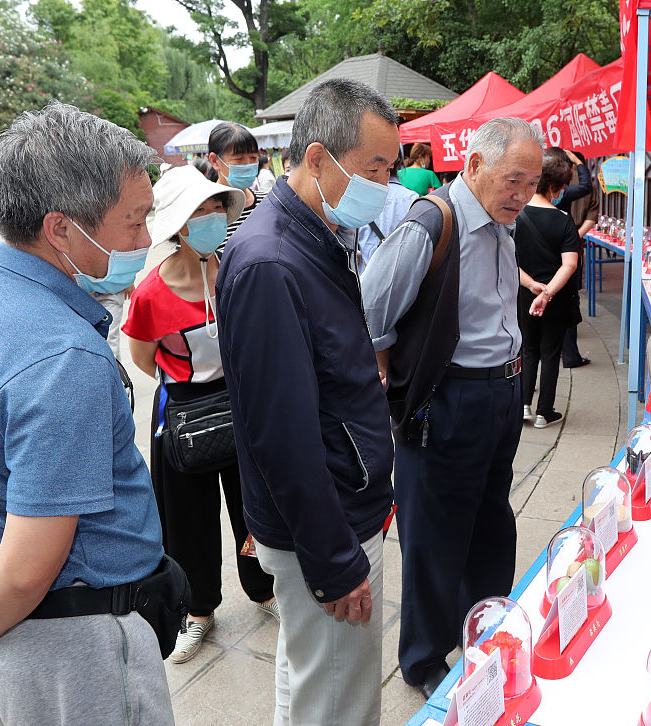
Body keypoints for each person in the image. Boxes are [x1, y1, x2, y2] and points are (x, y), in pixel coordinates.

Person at [0, 101, 177, 724]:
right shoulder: (63, 356)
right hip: (73, 639)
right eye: (133, 221)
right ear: (61, 230)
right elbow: (29, 568)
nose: (144, 241)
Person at [216, 79, 398, 726]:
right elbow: (281, 435)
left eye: (390, 168)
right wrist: (333, 559)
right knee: (341, 701)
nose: (385, 182)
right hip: (328, 526)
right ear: (318, 158)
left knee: (307, 678)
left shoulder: (310, 234)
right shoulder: (271, 260)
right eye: (374, 168)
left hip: (340, 503)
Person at [362, 117, 543, 698]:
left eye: (531, 182)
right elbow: (370, 311)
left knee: (492, 522)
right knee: (434, 537)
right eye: (513, 180)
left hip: (501, 393)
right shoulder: (431, 222)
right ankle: (422, 658)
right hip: (449, 398)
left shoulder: (501, 222)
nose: (522, 194)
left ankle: (485, 624)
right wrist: (396, 377)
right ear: (473, 166)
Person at [122, 165, 279, 665]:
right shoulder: (149, 292)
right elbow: (144, 357)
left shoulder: (237, 269)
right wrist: (188, 388)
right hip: (183, 411)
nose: (212, 216)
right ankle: (198, 610)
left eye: (217, 206)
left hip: (241, 404)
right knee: (186, 519)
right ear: (176, 225)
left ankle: (266, 590)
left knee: (252, 504)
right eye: (199, 210)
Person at [516, 147, 581, 427]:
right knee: (550, 352)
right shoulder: (564, 220)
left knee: (527, 349)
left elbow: (507, 259)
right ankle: (545, 411)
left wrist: (532, 286)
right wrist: (548, 292)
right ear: (555, 187)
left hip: (523, 294)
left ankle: (524, 406)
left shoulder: (516, 216)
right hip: (556, 298)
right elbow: (569, 265)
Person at [558, 151, 598, 368]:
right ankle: (570, 355)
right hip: (572, 247)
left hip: (550, 248)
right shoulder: (584, 184)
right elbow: (592, 215)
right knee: (570, 300)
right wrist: (574, 236)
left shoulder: (550, 183)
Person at [355, 156, 418, 272]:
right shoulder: (412, 198)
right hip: (402, 276)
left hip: (367, 278)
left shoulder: (358, 199)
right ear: (398, 166)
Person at [207, 122, 261, 241]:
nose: (248, 164)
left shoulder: (267, 202)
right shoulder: (204, 212)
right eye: (239, 159)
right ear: (215, 161)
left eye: (253, 157)